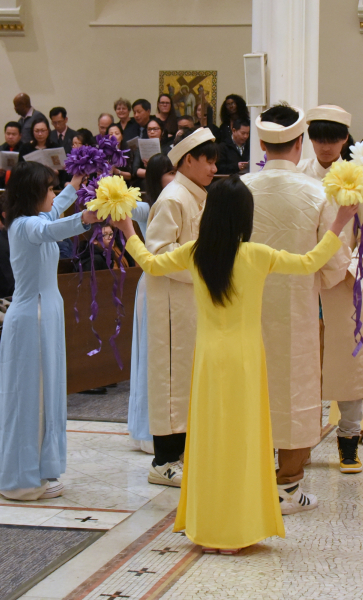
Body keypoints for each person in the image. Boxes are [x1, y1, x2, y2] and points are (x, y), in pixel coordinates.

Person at [113, 176, 353, 552]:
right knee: (242, 442)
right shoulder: (257, 254)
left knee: (209, 440)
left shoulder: (194, 252)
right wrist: (338, 224)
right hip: (245, 361)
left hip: (207, 361)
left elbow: (150, 263)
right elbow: (310, 263)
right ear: (246, 216)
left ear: (208, 214)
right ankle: (237, 531)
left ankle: (208, 527)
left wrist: (127, 229)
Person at [241, 104, 351, 512]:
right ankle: (288, 485)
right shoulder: (317, 193)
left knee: (251, 385)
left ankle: (248, 477)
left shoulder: (240, 188)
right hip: (297, 307)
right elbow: (333, 263)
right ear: (300, 141)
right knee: (295, 388)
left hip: (244, 306)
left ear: (262, 143)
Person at [0, 162, 96, 500]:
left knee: (47, 392)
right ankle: (21, 479)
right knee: (30, 397)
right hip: (31, 319)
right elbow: (48, 231)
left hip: (46, 314)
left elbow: (53, 212)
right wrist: (84, 218)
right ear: (33, 193)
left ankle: (41, 467)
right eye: (49, 189)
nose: (53, 195)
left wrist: (76, 184)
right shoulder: (24, 225)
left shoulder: (37, 216)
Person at [297, 105, 363, 473]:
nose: (325, 146)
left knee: (348, 360)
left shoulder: (358, 178)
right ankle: (298, 441)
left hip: (346, 281)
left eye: (333, 139)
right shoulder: (299, 175)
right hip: (303, 278)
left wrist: (353, 269)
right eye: (318, 138)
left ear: (345, 139)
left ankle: (349, 440)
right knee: (302, 361)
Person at [142, 128, 219, 488]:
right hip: (171, 302)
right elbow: (156, 254)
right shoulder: (173, 198)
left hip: (190, 300)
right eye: (209, 160)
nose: (214, 168)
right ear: (188, 160)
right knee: (170, 377)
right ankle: (163, 460)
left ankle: (182, 451)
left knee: (187, 377)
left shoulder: (197, 196)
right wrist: (204, 261)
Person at [127, 157, 174, 453]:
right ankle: (147, 430)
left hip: (178, 285)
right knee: (150, 355)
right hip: (153, 285)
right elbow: (115, 205)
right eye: (170, 173)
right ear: (157, 178)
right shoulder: (148, 207)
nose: (176, 177)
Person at [0, 122, 23, 190]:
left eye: (14, 134)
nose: (10, 137)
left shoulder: (25, 150)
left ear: (20, 135)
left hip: (20, 188)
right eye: (8, 134)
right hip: (0, 187)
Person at [130, 117, 165, 189]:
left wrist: (150, 167)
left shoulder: (167, 148)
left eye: (155, 129)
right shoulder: (141, 147)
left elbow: (166, 171)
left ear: (162, 131)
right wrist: (154, 172)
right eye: (149, 129)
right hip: (144, 182)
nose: (152, 132)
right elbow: (135, 170)